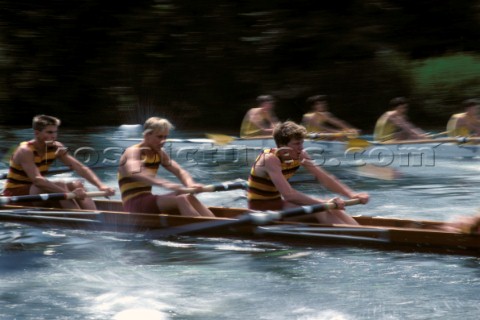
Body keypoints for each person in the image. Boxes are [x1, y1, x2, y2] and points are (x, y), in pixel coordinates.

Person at [246, 121, 369, 224]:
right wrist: (324, 204)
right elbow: (289, 194)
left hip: (279, 204)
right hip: (260, 209)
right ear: (282, 146)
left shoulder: (301, 155)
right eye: (296, 144)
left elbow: (324, 177)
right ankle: (352, 237)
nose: (301, 147)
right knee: (320, 208)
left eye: (302, 143)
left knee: (328, 205)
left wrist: (352, 194)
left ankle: (361, 231)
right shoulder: (270, 159)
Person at [1, 114, 115, 209]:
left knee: (77, 184)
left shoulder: (57, 147)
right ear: (37, 133)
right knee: (60, 185)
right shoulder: (25, 150)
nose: (53, 136)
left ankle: (93, 216)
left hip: (35, 191)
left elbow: (80, 167)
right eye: (49, 132)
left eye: (55, 132)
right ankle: (81, 218)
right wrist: (69, 194)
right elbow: (38, 180)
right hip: (14, 193)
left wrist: (101, 186)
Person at [117, 117, 215, 216]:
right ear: (147, 135)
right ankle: (200, 228)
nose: (163, 141)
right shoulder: (133, 151)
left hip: (147, 200)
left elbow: (180, 171)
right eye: (159, 137)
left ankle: (213, 223)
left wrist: (190, 184)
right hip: (133, 204)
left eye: (165, 137)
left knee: (188, 196)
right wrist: (167, 184)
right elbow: (137, 172)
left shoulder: (159, 153)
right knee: (181, 199)